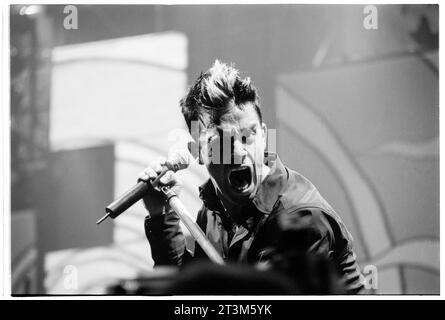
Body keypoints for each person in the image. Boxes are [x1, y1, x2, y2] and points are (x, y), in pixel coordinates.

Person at [139, 60, 364, 294]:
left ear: (265, 136)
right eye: (222, 143)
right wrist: (161, 215)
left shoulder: (301, 217)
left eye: (248, 136)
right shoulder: (213, 210)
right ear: (197, 151)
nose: (238, 152)